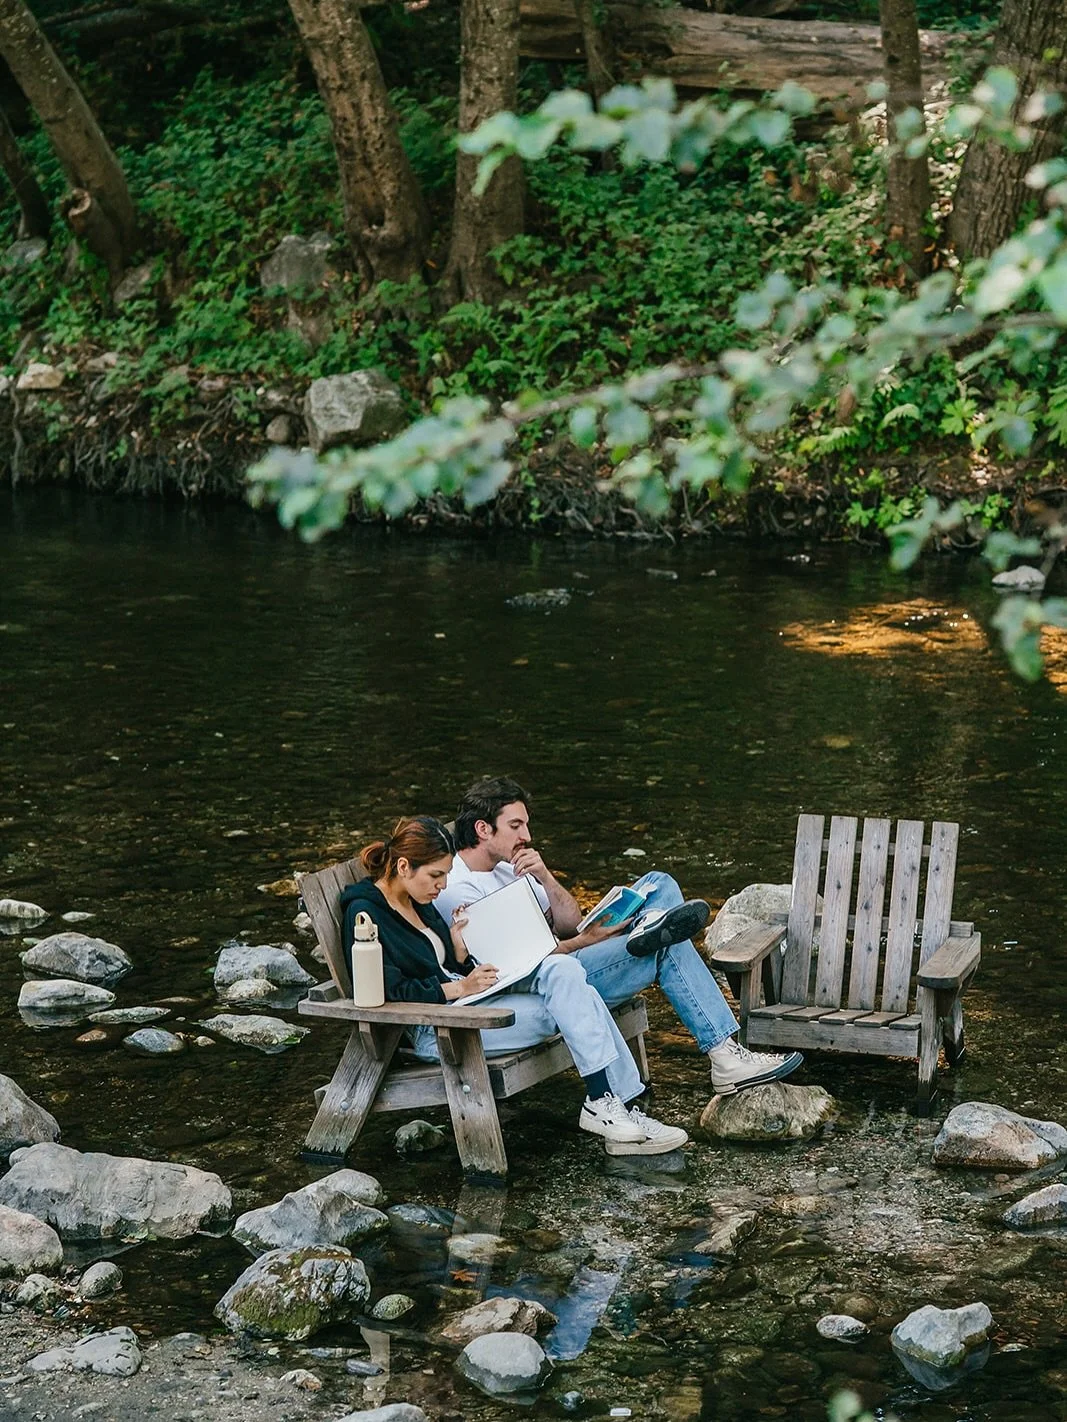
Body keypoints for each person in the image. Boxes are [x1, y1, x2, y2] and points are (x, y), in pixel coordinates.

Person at [339, 815, 689, 1156]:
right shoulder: (365, 914)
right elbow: (385, 989)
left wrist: (459, 950)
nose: (443, 885)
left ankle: (609, 1105)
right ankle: (619, 1105)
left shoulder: (418, 900)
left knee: (562, 970)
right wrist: (458, 988)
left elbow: (444, 965)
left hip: (466, 1002)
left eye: (445, 875)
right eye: (436, 875)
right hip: (441, 1028)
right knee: (576, 999)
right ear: (403, 867)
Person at [434, 777, 803, 1098]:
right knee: (667, 946)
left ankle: (648, 930)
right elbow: (520, 966)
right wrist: (592, 939)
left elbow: (568, 922)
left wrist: (545, 876)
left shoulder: (511, 867)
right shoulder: (458, 888)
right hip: (553, 980)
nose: (527, 836)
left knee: (660, 883)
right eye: (516, 826)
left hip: (567, 954)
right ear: (484, 829)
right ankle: (724, 1054)